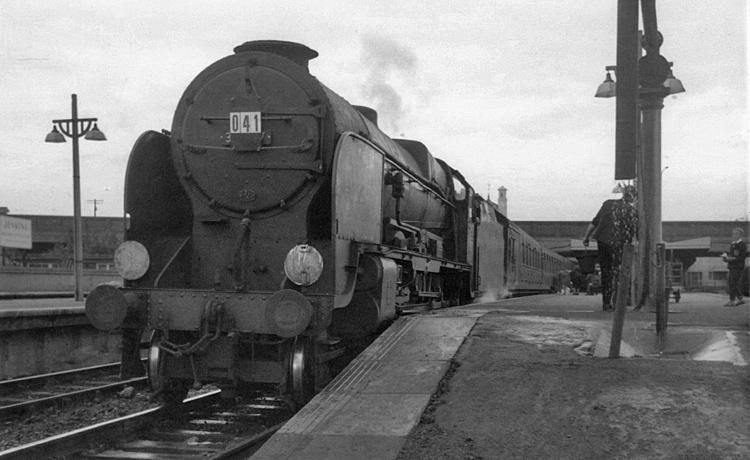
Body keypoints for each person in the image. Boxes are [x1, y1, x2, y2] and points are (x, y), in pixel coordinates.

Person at [582, 185, 638, 311]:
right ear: (633, 197)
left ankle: (606, 303)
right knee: (618, 272)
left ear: (623, 193)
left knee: (606, 273)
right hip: (619, 245)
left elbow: (595, 222)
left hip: (602, 241)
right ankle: (617, 302)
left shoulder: (608, 204)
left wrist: (586, 237)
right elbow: (635, 232)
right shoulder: (632, 211)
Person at [722, 227, 747, 306]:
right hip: (732, 266)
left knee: (733, 283)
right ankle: (740, 299)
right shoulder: (732, 244)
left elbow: (741, 257)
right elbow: (731, 255)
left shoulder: (742, 245)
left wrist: (732, 259)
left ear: (741, 235)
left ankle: (732, 301)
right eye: (733, 234)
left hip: (738, 267)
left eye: (736, 234)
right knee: (732, 283)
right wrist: (726, 258)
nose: (734, 235)